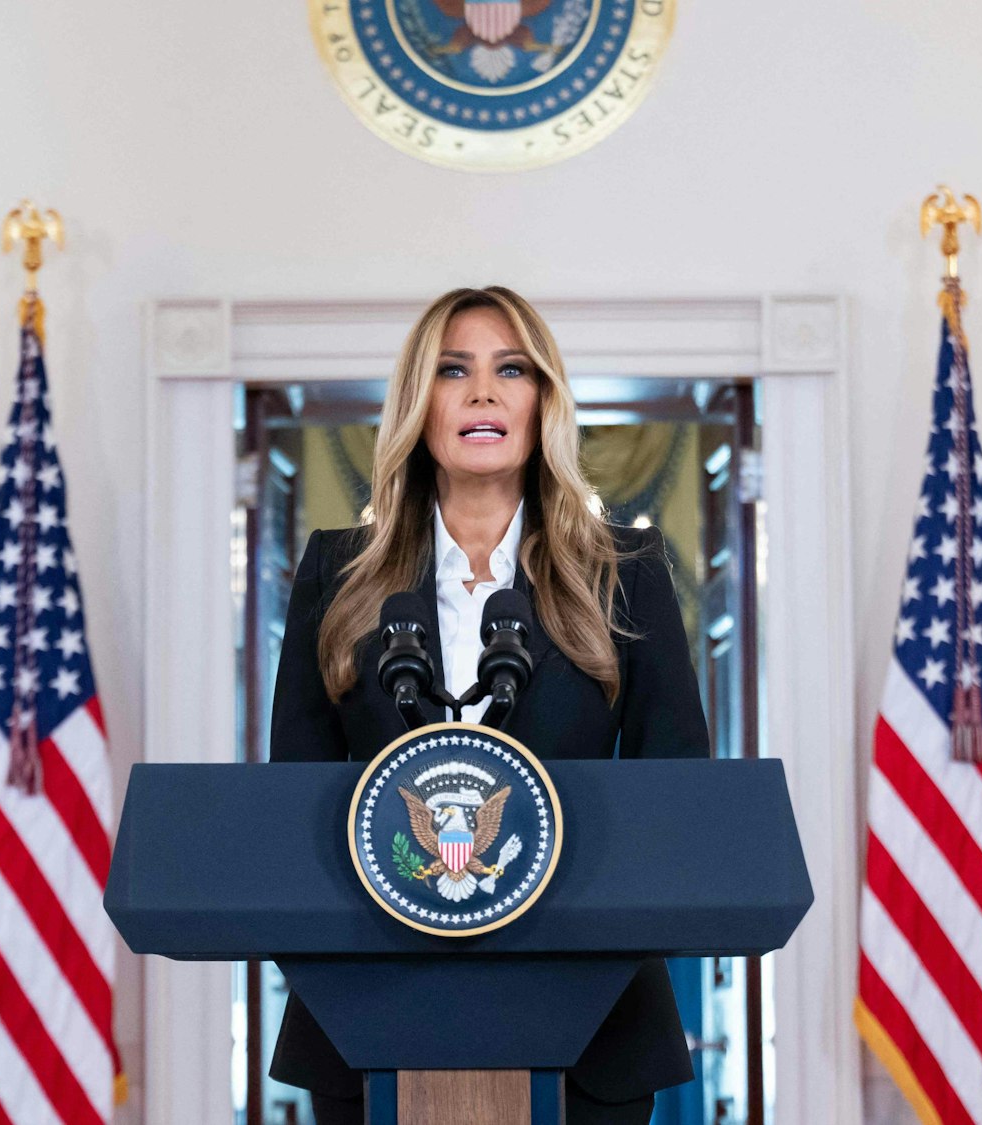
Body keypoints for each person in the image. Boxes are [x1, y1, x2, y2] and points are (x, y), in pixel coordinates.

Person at [266, 286, 710, 1124]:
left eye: (511, 369)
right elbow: (298, 800)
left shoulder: (626, 571)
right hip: (370, 1016)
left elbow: (675, 795)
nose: (482, 393)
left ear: (543, 398)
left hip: (590, 1028)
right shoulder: (338, 573)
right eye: (451, 370)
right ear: (417, 404)